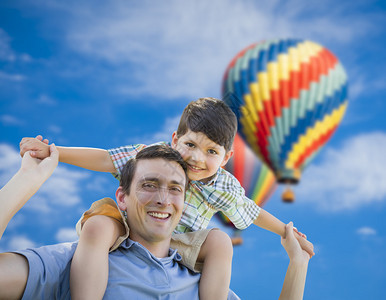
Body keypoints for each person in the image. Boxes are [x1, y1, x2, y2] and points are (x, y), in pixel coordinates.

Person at [20, 97, 314, 300]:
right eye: (190, 145)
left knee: (220, 242)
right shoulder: (153, 156)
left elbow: (251, 211)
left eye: (211, 152)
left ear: (226, 158)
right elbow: (106, 158)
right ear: (175, 139)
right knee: (98, 226)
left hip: (179, 243)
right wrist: (55, 152)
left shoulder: (223, 185)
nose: (197, 159)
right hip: (130, 225)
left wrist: (286, 232)